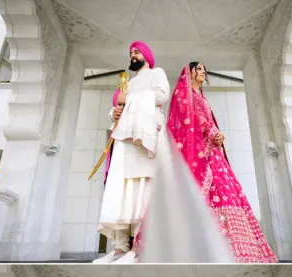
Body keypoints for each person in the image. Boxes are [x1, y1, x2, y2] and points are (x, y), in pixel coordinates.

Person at [158, 62, 276, 263]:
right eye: (199, 69)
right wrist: (212, 132)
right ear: (189, 73)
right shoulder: (184, 96)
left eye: (204, 69)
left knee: (228, 191)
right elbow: (190, 118)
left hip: (213, 152)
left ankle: (238, 250)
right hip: (200, 155)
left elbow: (208, 122)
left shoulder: (203, 98)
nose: (203, 72)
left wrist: (218, 135)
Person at [94, 41, 171, 264]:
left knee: (141, 189)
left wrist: (128, 100)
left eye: (137, 52)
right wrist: (114, 113)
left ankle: (137, 249)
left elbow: (161, 96)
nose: (133, 55)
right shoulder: (127, 83)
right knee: (121, 190)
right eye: (131, 53)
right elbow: (119, 107)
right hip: (124, 139)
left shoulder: (156, 73)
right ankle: (119, 248)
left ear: (147, 55)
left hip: (144, 138)